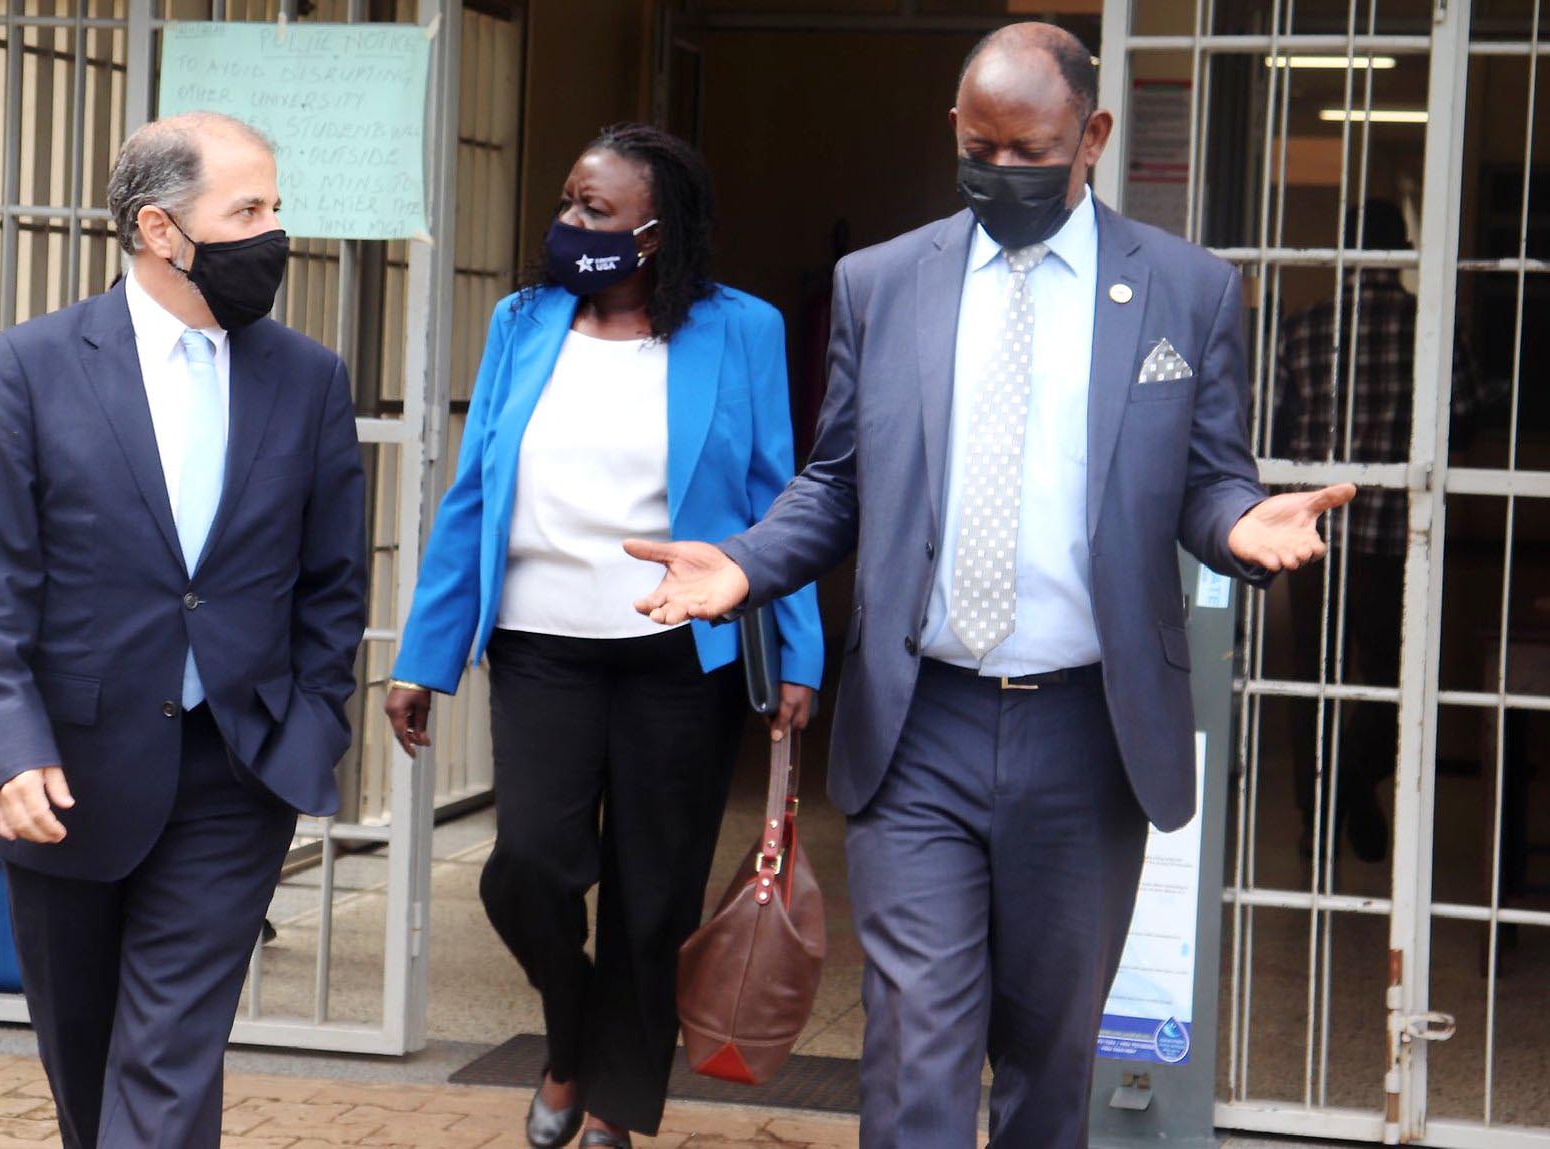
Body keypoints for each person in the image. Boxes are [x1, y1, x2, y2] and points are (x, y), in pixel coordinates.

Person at [627, 24, 1354, 1149]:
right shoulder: (881, 283)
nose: (1001, 170)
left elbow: (1208, 483)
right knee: (914, 1035)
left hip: (1087, 730)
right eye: (981, 146)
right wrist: (746, 561)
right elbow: (838, 482)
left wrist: (1239, 526)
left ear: (1092, 138)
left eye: (1031, 149)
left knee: (1047, 1056)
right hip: (922, 724)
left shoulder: (1185, 291)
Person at [383, 123, 823, 1149]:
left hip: (683, 656)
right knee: (529, 865)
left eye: (597, 211)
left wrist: (796, 653)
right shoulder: (522, 321)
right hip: (542, 645)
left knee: (651, 896)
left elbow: (781, 499)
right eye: (570, 203)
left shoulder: (739, 329)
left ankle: (616, 1110)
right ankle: (570, 1041)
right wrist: (423, 654)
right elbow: (477, 491)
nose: (569, 224)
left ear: (658, 233)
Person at [0, 112, 366, 1148]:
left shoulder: (308, 378)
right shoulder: (31, 366)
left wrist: (309, 724)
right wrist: (10, 753)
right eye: (250, 211)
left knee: (168, 1060)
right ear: (159, 230)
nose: (277, 233)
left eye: (276, 207)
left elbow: (333, 583)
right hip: (69, 778)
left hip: (235, 773)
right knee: (86, 1070)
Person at [1275, 198, 1484, 863]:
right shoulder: (1429, 330)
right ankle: (1353, 781)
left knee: (1309, 675)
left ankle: (1321, 808)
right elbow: (1469, 418)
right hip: (1394, 533)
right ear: (1402, 249)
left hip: (1306, 531)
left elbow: (1270, 429)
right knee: (1394, 676)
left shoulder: (1301, 329)